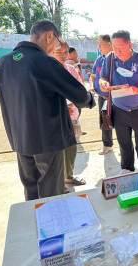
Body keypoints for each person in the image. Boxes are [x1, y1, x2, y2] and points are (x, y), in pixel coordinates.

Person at [0, 20, 95, 200]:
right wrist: (91, 99)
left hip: (20, 138)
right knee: (51, 193)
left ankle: (35, 223)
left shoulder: (5, 62)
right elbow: (79, 95)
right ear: (49, 35)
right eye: (57, 42)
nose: (56, 47)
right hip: (47, 139)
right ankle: (50, 227)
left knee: (31, 188)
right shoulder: (44, 62)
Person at [99, 30, 138, 173]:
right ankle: (127, 169)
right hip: (118, 109)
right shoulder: (110, 58)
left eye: (121, 48)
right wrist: (103, 83)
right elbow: (103, 77)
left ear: (130, 45)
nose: (117, 51)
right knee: (124, 143)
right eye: (114, 48)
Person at [50, 39, 86, 188]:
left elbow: (79, 88)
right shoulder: (47, 69)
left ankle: (68, 178)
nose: (64, 56)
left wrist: (73, 102)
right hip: (54, 117)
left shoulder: (70, 68)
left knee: (71, 147)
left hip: (70, 115)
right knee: (55, 151)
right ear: (51, 52)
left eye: (66, 53)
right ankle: (57, 184)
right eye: (60, 52)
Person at [89, 34, 114, 155]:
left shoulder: (117, 59)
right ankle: (107, 145)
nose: (99, 47)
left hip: (116, 98)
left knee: (121, 123)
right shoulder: (99, 60)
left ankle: (125, 146)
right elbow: (93, 76)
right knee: (105, 122)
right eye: (98, 45)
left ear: (109, 44)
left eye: (101, 44)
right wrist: (93, 87)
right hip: (102, 97)